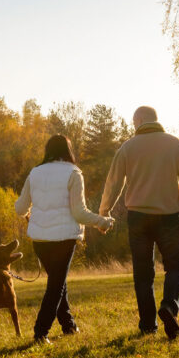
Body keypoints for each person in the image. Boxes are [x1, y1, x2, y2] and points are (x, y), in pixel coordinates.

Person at [99, 106, 179, 340]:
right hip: (169, 216)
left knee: (143, 273)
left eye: (134, 122)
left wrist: (104, 212)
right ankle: (169, 307)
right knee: (175, 267)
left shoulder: (127, 147)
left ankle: (148, 325)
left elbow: (113, 183)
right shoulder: (176, 144)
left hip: (138, 217)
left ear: (139, 120)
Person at [15, 135, 115, 344]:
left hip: (40, 240)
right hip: (63, 239)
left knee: (57, 282)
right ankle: (40, 333)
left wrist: (31, 213)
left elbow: (20, 208)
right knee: (56, 286)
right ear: (68, 150)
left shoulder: (35, 172)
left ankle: (68, 325)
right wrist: (102, 222)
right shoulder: (73, 173)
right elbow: (79, 213)